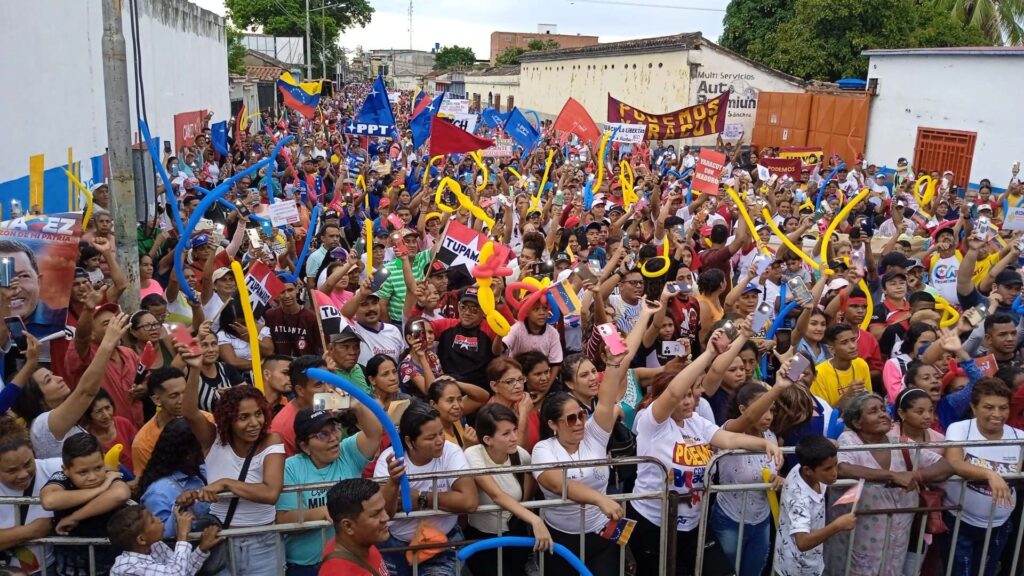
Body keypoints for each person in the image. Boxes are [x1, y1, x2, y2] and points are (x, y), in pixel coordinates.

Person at [629, 329, 783, 576]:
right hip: (654, 523)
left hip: (693, 522)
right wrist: (710, 353)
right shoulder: (652, 423)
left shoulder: (696, 423)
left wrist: (765, 445)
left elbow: (730, 438)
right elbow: (673, 392)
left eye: (692, 395)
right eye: (683, 396)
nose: (689, 401)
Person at [181, 349, 286, 576]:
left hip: (262, 544)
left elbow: (270, 493)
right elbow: (189, 412)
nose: (254, 423)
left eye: (258, 414)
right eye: (243, 417)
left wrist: (226, 483)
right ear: (228, 420)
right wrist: (195, 369)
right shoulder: (213, 439)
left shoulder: (271, 440)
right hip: (218, 538)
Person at [825, 392, 952, 575]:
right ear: (858, 422)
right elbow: (843, 468)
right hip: (858, 541)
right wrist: (892, 476)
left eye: (884, 409)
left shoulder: (900, 444)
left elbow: (945, 466)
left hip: (896, 541)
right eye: (874, 411)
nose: (883, 414)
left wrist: (915, 475)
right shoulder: (849, 441)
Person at [275, 405, 384, 576]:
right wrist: (324, 512)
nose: (333, 438)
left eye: (335, 429)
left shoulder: (347, 452)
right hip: (307, 566)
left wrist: (357, 407)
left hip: (350, 560)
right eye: (322, 434)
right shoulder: (290, 468)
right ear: (305, 446)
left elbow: (375, 433)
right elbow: (283, 519)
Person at [372, 402, 478, 576]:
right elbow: (384, 512)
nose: (440, 441)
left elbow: (469, 502)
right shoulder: (390, 460)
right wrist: (392, 482)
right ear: (409, 441)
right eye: (430, 438)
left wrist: (422, 498)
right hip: (396, 545)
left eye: (441, 433)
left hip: (441, 544)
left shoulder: (451, 452)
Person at [940, 378, 1020, 576]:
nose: (997, 414)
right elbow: (955, 462)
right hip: (960, 522)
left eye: (1003, 408)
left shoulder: (1019, 437)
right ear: (974, 408)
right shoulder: (959, 429)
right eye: (989, 407)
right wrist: (989, 474)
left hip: (1000, 526)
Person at [463, 404, 552, 575]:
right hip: (482, 538)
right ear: (488, 439)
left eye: (514, 430)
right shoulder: (473, 454)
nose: (514, 437)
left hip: (515, 534)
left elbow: (531, 490)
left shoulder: (521, 455)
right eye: (506, 433)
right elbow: (496, 494)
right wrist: (535, 520)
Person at [39, 433, 131, 576]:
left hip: (112, 566)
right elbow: (49, 501)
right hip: (70, 568)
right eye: (83, 472)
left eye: (98, 468)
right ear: (66, 470)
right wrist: (100, 489)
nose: (93, 477)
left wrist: (75, 517)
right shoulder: (61, 477)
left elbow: (121, 494)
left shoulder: (109, 475)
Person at [773, 435, 856, 576]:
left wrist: (828, 444)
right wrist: (838, 525)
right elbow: (802, 542)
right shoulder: (799, 498)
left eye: (835, 464)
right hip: (796, 568)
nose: (835, 473)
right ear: (808, 470)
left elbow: (813, 447)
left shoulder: (809, 464)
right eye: (828, 469)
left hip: (813, 561)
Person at [135, 418, 211, 540]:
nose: (203, 456)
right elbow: (161, 537)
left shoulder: (204, 471)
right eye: (198, 450)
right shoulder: (158, 492)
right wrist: (180, 508)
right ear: (185, 454)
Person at [0, 417, 58, 574]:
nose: (23, 474)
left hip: (48, 569)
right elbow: (38, 529)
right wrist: (33, 530)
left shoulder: (54, 469)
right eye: (11, 470)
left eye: (28, 464)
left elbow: (103, 469)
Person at [106, 504, 221, 576]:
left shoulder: (156, 546)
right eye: (152, 520)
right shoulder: (127, 567)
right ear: (141, 539)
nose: (158, 519)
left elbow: (183, 570)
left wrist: (201, 549)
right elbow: (176, 573)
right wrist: (182, 536)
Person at [318, 479, 392, 576]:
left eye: (383, 509)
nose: (386, 517)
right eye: (376, 514)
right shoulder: (337, 572)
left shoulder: (362, 543)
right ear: (348, 526)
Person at [0, 239, 70, 341]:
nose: (14, 290)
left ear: (39, 282)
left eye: (23, 276)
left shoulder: (63, 321)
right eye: (2, 279)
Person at [270, 355, 332, 456]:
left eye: (329, 381)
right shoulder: (281, 429)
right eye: (319, 384)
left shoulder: (325, 402)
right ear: (300, 390)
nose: (328, 389)